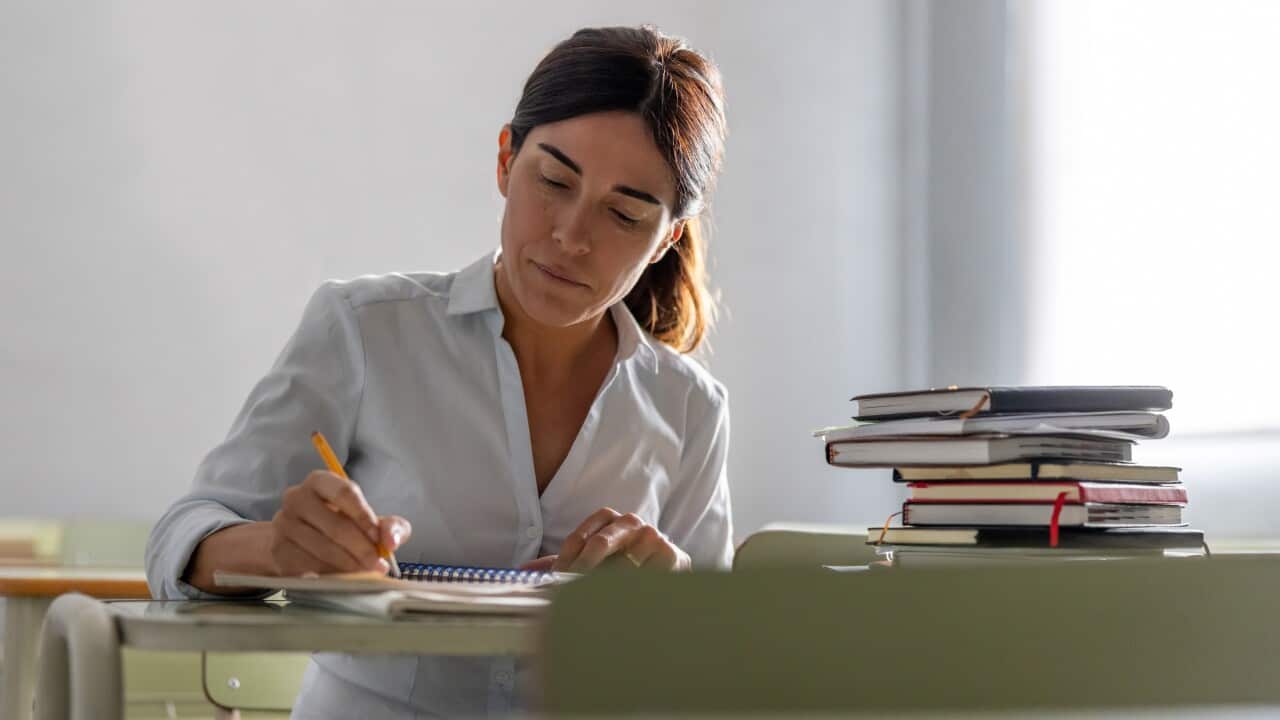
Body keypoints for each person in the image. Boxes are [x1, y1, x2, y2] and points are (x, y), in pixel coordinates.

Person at [146, 24, 732, 717]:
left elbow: (711, 670)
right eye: (553, 180)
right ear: (505, 160)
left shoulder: (690, 408)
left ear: (666, 237)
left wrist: (676, 601)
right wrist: (275, 549)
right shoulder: (365, 329)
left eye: (624, 214)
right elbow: (179, 541)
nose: (571, 236)